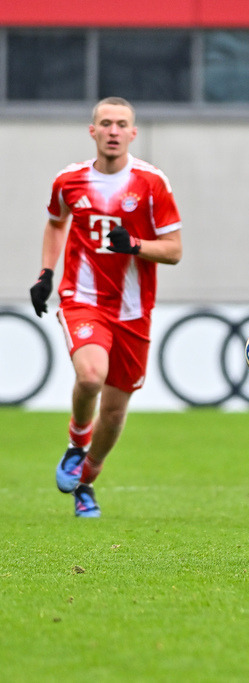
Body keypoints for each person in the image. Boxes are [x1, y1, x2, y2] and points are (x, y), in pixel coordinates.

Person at [29, 96, 183, 518]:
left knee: (114, 413)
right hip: (83, 299)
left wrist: (135, 245)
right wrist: (46, 273)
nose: (113, 131)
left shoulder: (152, 184)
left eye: (122, 124)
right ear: (92, 131)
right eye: (106, 123)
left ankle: (87, 482)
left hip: (133, 310)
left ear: (134, 133)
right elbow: (56, 222)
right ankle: (77, 441)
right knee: (91, 375)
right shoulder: (69, 181)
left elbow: (174, 251)